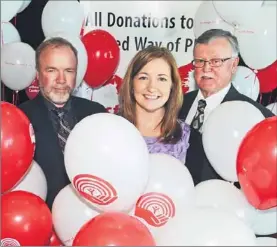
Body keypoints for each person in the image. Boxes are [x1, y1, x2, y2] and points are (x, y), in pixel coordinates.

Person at [18, 37, 106, 209]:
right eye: (51, 70)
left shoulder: (97, 114)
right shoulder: (21, 118)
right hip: (40, 220)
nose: (61, 79)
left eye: (68, 71)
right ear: (37, 74)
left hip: (90, 217)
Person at [179, 29, 274, 185]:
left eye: (216, 61)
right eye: (200, 61)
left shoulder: (258, 118)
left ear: (234, 65)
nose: (206, 68)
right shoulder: (176, 104)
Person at [119, 46, 190, 163]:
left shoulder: (187, 137)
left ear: (172, 86)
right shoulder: (111, 129)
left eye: (161, 79)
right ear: (131, 84)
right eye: (143, 78)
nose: (151, 87)